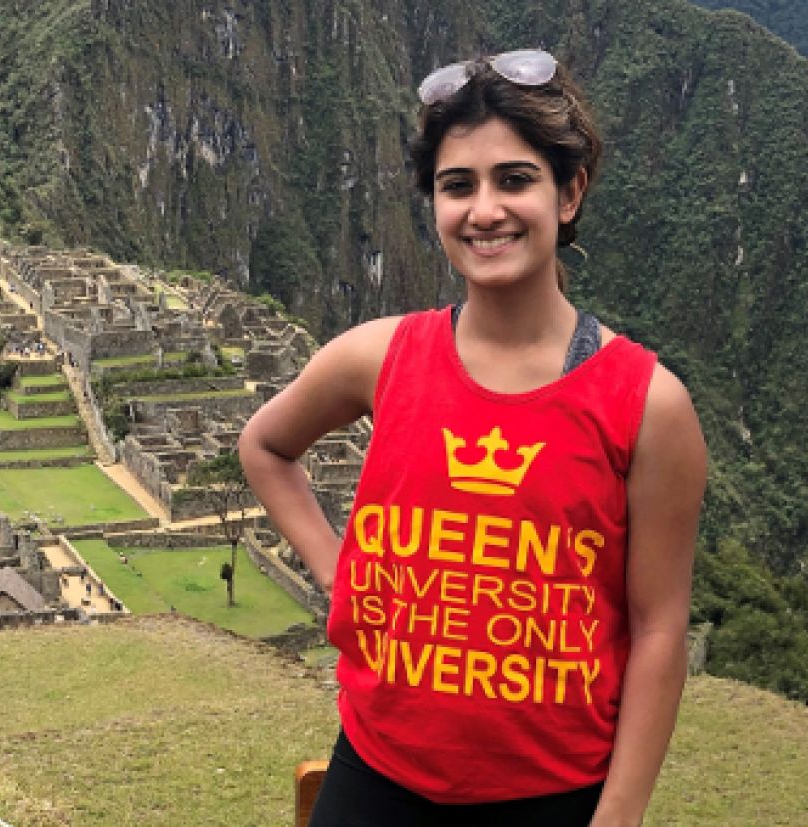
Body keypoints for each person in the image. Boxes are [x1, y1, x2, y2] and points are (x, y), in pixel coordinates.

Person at [239, 49, 706, 827]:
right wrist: (341, 579)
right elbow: (266, 446)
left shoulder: (646, 404)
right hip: (378, 770)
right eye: (458, 186)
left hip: (552, 790)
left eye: (515, 179)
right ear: (433, 205)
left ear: (570, 192)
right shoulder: (380, 357)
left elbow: (660, 627)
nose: (484, 209)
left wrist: (617, 815)